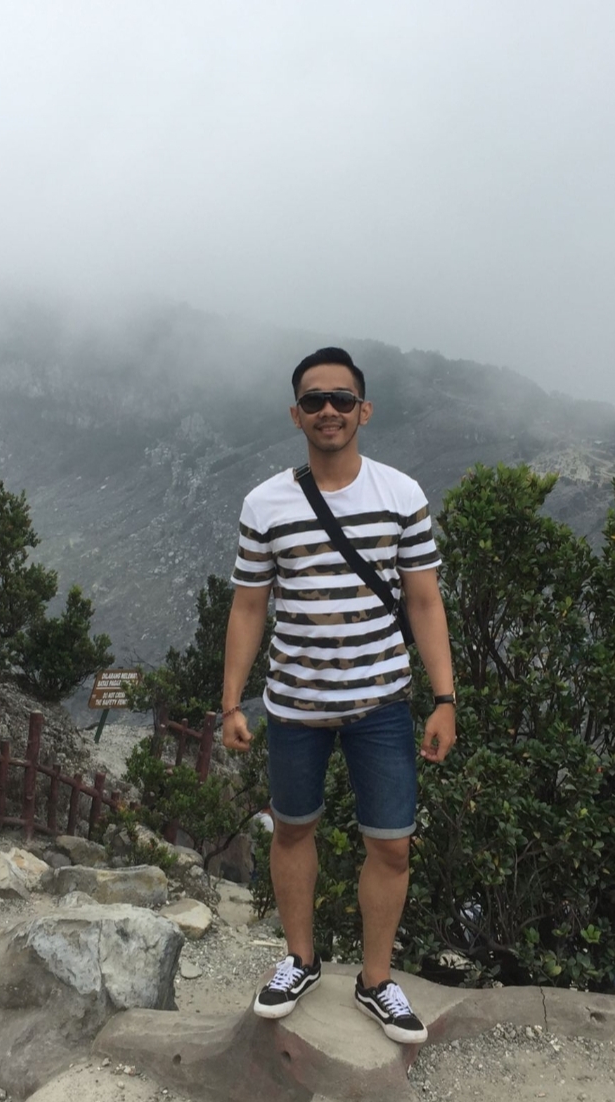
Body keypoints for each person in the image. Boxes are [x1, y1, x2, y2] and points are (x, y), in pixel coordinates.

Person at [221, 347, 456, 1044]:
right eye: (314, 401)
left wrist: (445, 699)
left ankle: (376, 980)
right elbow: (248, 606)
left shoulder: (401, 496)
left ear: (364, 410)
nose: (329, 411)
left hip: (382, 703)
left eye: (342, 400)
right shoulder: (265, 504)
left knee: (393, 847)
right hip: (295, 704)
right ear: (296, 414)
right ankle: (300, 960)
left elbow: (425, 601)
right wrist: (231, 702)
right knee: (292, 830)